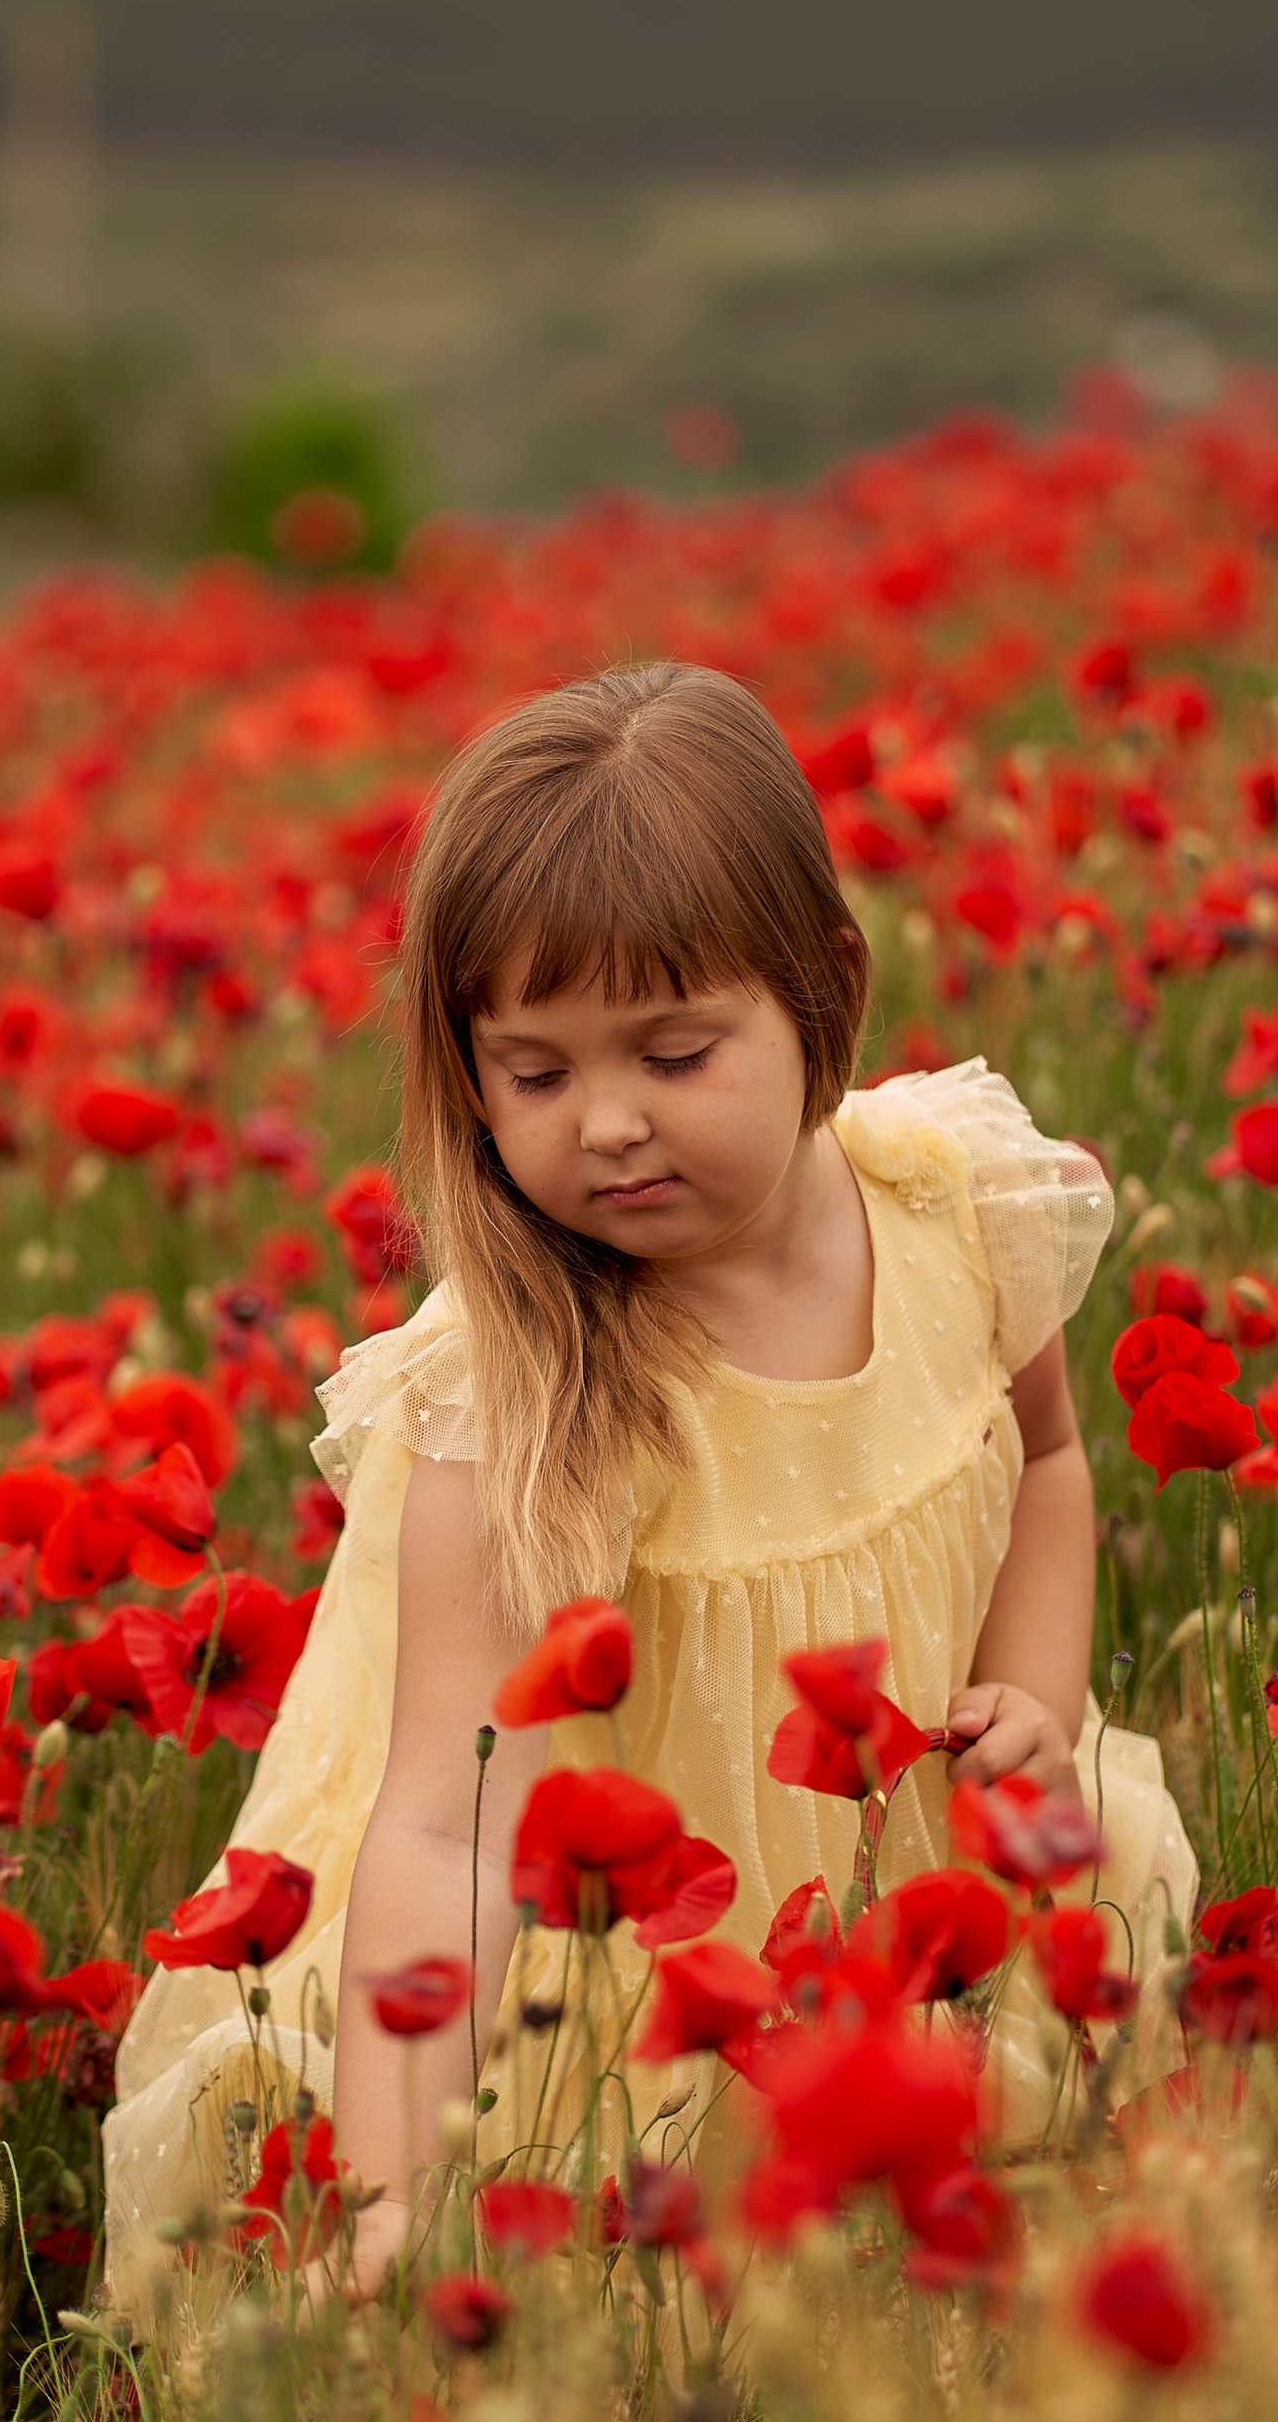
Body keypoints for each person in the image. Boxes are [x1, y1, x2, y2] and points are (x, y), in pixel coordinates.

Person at [103, 665, 1193, 2291]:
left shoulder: (953, 1205)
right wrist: (400, 2183)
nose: (605, 1125)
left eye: (674, 1053)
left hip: (911, 1881)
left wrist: (1030, 1697)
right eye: (533, 1075)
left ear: (825, 988)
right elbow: (450, 1826)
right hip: (616, 1972)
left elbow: (1044, 1459)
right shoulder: (521, 1391)